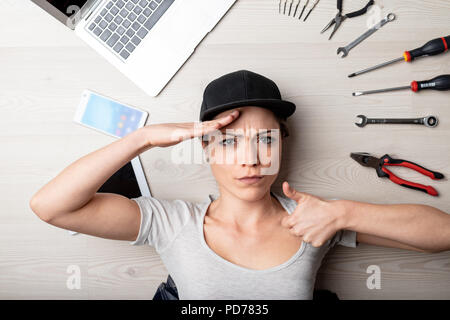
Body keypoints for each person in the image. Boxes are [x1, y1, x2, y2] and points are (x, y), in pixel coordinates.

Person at [30, 70, 450, 300]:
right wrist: (142, 138)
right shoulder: (172, 221)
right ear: (206, 149)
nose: (250, 158)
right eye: (229, 142)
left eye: (265, 140)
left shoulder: (315, 220)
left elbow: (443, 235)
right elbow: (52, 207)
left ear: (283, 144)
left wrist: (344, 212)